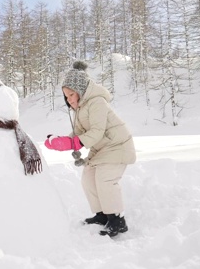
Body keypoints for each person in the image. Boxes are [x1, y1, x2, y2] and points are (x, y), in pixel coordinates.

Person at [44, 61, 136, 237]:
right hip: (102, 149)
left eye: (71, 94)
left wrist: (73, 143)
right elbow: (78, 133)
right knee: (88, 177)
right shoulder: (80, 109)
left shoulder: (96, 102)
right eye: (66, 96)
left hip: (117, 146)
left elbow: (97, 131)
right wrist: (61, 141)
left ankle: (117, 221)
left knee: (105, 179)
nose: (69, 99)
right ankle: (102, 215)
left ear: (82, 90)